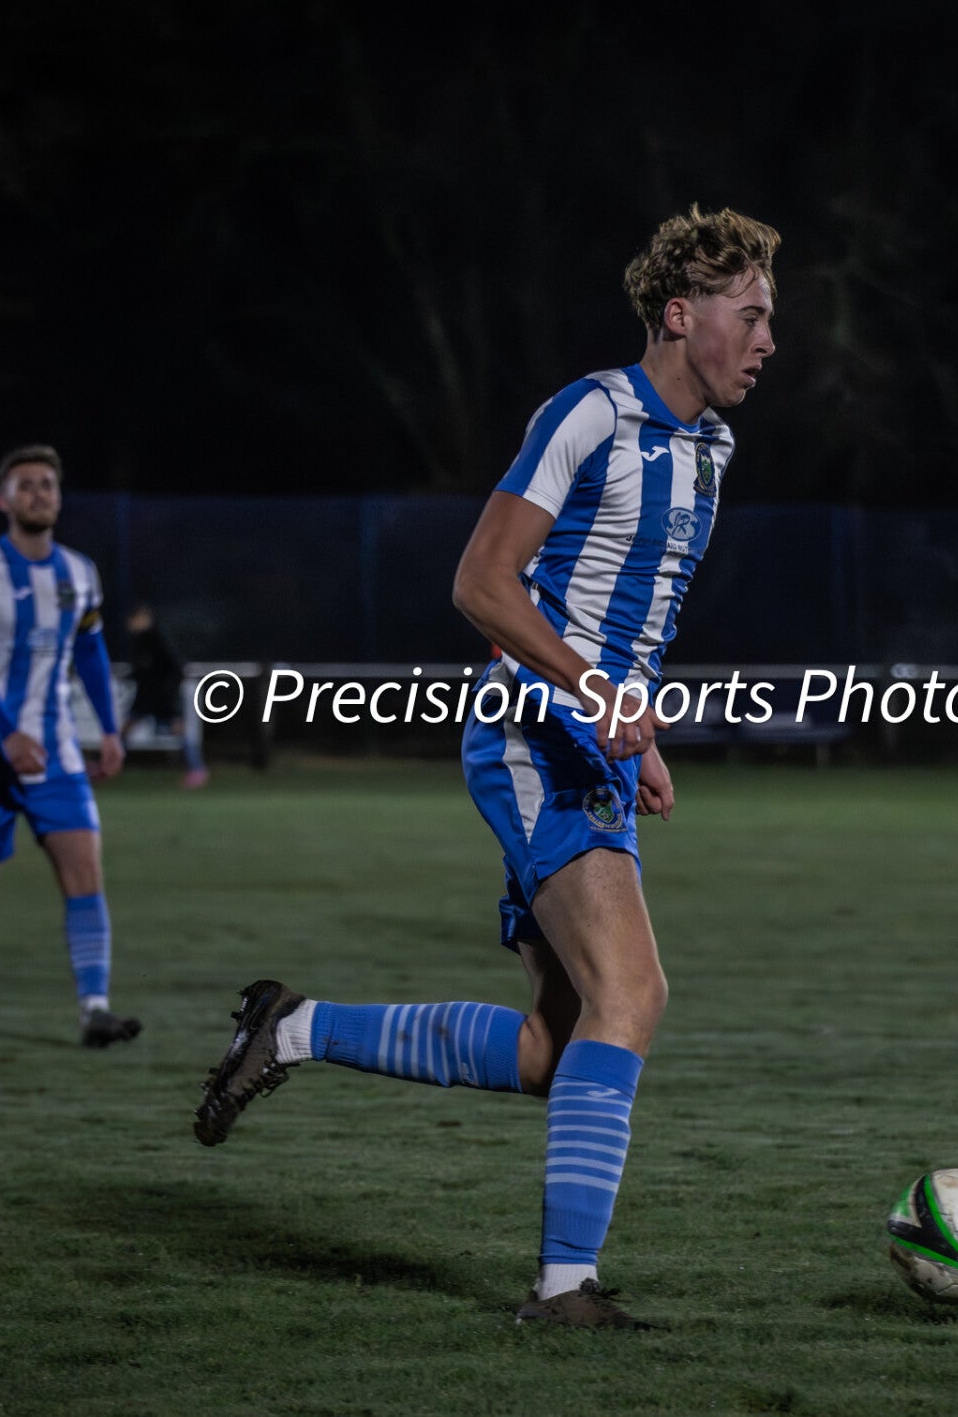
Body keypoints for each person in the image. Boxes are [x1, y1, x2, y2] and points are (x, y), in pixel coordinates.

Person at [194, 204, 780, 1327]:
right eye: (748, 315)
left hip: (593, 746)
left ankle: (293, 1027)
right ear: (678, 314)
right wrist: (597, 696)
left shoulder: (712, 451)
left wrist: (639, 735)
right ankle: (564, 1290)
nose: (766, 341)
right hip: (531, 731)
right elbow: (481, 583)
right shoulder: (590, 413)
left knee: (553, 1049)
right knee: (633, 993)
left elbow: (630, 613)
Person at [0, 444, 141, 1048]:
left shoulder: (79, 572)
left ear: (59, 496)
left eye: (47, 484)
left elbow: (91, 651)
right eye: (25, 485)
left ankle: (96, 1011)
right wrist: (8, 733)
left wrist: (108, 729)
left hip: (58, 757)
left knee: (85, 873)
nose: (38, 494)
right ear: (3, 500)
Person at [123, 601, 208, 788]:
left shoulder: (156, 639)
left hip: (162, 697)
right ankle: (108, 764)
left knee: (178, 730)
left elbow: (174, 668)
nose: (130, 624)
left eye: (134, 619)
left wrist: (169, 691)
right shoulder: (141, 641)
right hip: (146, 698)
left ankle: (197, 769)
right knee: (125, 729)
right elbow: (142, 671)